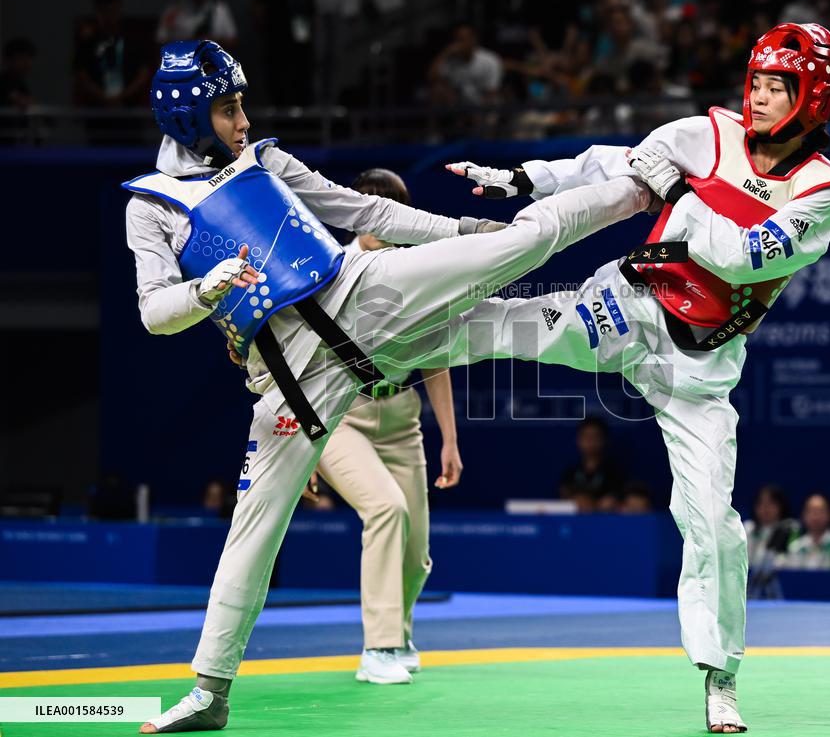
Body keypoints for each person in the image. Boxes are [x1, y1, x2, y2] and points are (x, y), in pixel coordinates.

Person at [124, 40, 653, 733]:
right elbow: (154, 313)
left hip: (364, 294)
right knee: (251, 533)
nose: (244, 119)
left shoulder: (266, 162)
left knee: (512, 250)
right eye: (229, 108)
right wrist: (204, 289)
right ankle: (210, 692)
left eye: (242, 103)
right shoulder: (152, 205)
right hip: (292, 382)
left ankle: (641, 185)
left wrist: (458, 229)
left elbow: (367, 214)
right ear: (190, 117)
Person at [441, 22, 830, 733]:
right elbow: (615, 161)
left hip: (702, 369)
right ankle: (382, 343)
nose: (755, 97)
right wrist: (525, 178)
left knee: (714, 525)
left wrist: (690, 206)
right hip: (630, 306)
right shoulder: (708, 132)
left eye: (774, 86)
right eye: (753, 81)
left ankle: (719, 679)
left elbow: (747, 258)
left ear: (810, 97)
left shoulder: (821, 191)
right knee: (515, 325)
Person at [249, 168, 462, 685]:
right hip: (339, 416)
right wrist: (300, 441)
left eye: (392, 205)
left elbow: (435, 357)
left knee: (416, 554)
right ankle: (380, 647)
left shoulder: (419, 270)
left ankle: (401, 631)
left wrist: (451, 440)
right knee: (385, 510)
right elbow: (292, 356)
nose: (380, 216)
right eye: (370, 203)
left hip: (402, 422)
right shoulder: (329, 267)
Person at [157, 0, 239, 52]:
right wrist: (191, 42)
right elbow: (160, 41)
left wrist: (212, 42)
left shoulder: (220, 9)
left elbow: (233, 41)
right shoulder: (172, 11)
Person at [559, 416, 626, 512]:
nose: (590, 442)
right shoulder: (570, 474)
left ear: (604, 440)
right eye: (586, 436)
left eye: (595, 436)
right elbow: (562, 502)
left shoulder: (615, 474)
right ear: (578, 440)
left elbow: (617, 502)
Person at [743, 484, 799, 598]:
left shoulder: (790, 528)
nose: (765, 508)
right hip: (749, 584)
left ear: (781, 506)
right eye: (761, 504)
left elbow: (792, 559)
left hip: (778, 584)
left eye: (771, 504)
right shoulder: (748, 528)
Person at [781, 493, 830, 569]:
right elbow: (792, 578)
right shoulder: (796, 548)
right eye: (811, 511)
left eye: (820, 511)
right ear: (803, 515)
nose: (815, 516)